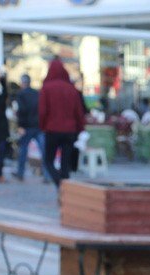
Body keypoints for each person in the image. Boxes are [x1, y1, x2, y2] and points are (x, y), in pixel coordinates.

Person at [39, 58, 85, 189]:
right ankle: (65, 191)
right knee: (65, 163)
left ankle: (59, 184)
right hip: (70, 130)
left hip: (52, 129)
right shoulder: (71, 89)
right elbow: (79, 111)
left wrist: (43, 126)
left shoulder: (46, 88)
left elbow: (42, 111)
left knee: (48, 161)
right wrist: (80, 128)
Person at [12, 73, 52, 182]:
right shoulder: (37, 93)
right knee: (43, 151)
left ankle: (20, 173)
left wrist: (20, 126)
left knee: (23, 150)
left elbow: (21, 111)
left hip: (27, 127)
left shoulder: (21, 94)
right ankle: (47, 175)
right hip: (38, 126)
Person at [0, 67, 9, 184]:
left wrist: (3, 78)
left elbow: (5, 95)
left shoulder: (1, 88)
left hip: (1, 125)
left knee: (2, 150)